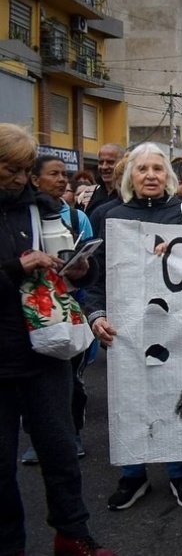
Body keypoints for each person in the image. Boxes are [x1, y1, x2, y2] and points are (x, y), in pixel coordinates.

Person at [0, 123, 116, 556]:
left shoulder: (47, 209)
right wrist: (17, 267)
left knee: (61, 453)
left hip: (45, 353)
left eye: (24, 170)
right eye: (10, 169)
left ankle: (73, 535)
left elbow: (71, 267)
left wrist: (82, 269)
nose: (18, 179)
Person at [87, 143, 182, 513]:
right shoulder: (107, 215)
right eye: (143, 169)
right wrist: (96, 315)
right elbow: (93, 278)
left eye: (158, 169)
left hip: (176, 325)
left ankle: (179, 472)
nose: (150, 175)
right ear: (130, 177)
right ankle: (133, 475)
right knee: (130, 400)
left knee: (177, 397)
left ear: (168, 177)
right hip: (126, 328)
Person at [21, 155, 96, 464]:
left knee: (71, 379)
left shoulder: (78, 218)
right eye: (54, 174)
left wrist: (83, 267)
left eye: (64, 174)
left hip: (69, 307)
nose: (63, 180)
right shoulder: (21, 217)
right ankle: (39, 439)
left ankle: (71, 433)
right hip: (33, 314)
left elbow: (94, 267)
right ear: (35, 179)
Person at [84, 143, 124, 215]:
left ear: (123, 164)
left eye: (110, 162)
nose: (104, 167)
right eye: (101, 162)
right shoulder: (87, 196)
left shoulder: (131, 196)